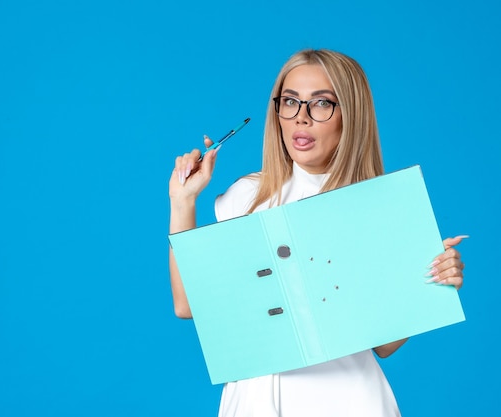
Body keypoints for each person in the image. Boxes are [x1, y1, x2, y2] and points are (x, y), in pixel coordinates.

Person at [168, 48, 466, 417]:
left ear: (349, 115)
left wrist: (433, 282)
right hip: (253, 401)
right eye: (289, 102)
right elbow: (187, 306)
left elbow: (385, 344)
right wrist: (182, 203)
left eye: (321, 104)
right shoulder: (247, 196)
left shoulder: (379, 209)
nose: (301, 119)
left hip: (347, 401)